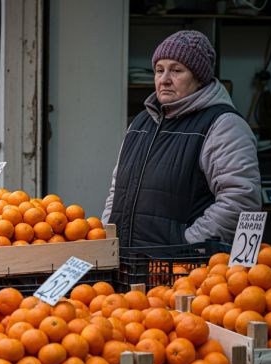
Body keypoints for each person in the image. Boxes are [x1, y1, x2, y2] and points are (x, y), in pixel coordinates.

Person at [103, 30, 261, 247]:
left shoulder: (223, 125)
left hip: (184, 271)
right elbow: (117, 189)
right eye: (159, 70)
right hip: (128, 264)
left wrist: (186, 244)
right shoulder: (140, 123)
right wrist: (106, 237)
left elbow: (241, 200)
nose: (165, 79)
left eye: (177, 70)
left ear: (199, 78)